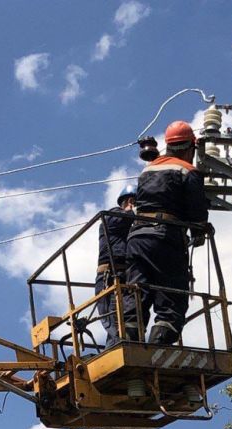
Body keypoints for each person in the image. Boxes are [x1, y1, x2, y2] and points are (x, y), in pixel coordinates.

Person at [124, 120, 209, 345]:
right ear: (190, 147)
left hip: (136, 238)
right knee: (171, 300)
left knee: (137, 291)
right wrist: (199, 231)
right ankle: (157, 348)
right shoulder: (188, 171)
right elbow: (197, 212)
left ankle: (129, 341)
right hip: (165, 238)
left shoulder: (148, 170)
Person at [95, 186, 136, 347]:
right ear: (129, 201)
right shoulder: (111, 217)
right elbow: (124, 219)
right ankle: (117, 349)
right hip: (109, 277)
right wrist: (129, 210)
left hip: (124, 277)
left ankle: (117, 349)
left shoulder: (131, 228)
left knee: (124, 322)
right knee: (115, 323)